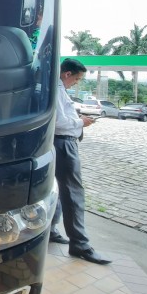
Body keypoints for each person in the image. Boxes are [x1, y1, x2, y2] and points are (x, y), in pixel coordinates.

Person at [49, 58, 111, 265]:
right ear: (67, 74)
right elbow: (59, 122)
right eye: (77, 78)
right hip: (64, 143)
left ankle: (50, 229)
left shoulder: (57, 89)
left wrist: (78, 119)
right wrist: (81, 122)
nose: (77, 82)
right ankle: (80, 245)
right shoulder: (56, 90)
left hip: (60, 143)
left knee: (58, 188)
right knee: (73, 193)